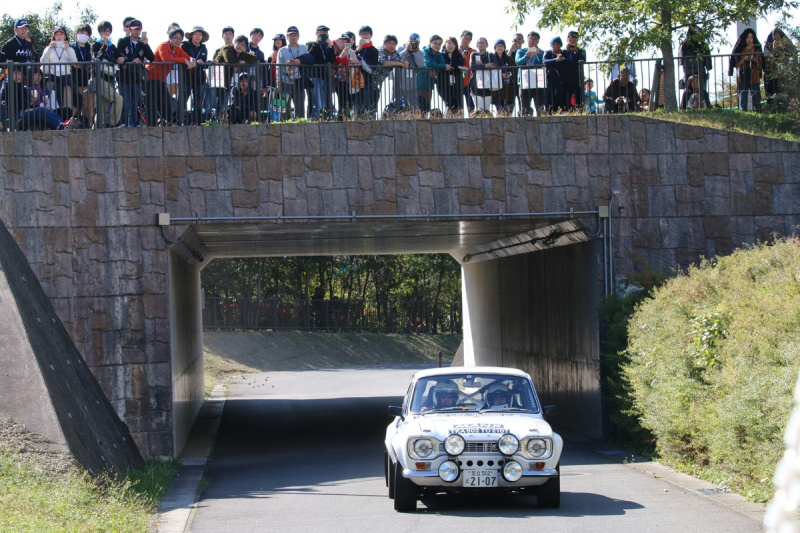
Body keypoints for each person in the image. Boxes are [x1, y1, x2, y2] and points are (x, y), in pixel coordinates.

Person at [146, 27, 197, 126]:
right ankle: (151, 126)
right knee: (151, 104)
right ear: (170, 38)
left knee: (166, 104)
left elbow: (188, 56)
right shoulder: (163, 46)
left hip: (161, 79)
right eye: (175, 37)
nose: (178, 40)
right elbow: (165, 59)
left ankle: (170, 124)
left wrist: (192, 60)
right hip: (150, 77)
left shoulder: (178, 49)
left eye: (180, 38)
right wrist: (183, 60)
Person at [1, 68, 77, 130]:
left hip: (24, 113)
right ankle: (61, 126)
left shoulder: (22, 87)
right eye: (16, 74)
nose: (19, 76)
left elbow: (26, 104)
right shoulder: (7, 86)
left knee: (49, 110)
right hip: (16, 116)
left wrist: (31, 102)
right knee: (42, 110)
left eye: (20, 74)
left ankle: (62, 124)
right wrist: (22, 110)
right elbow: (7, 104)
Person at [117, 19, 154, 126]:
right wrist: (131, 61)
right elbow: (119, 55)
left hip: (137, 78)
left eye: (139, 29)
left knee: (134, 105)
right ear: (129, 29)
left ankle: (134, 124)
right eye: (135, 29)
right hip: (124, 77)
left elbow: (151, 57)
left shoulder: (142, 44)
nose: (137, 32)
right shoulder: (122, 41)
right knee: (126, 104)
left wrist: (146, 44)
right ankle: (123, 124)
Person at [91, 20, 125, 127]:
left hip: (109, 79)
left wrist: (123, 58)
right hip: (99, 78)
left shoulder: (112, 46)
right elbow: (96, 58)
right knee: (119, 99)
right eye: (103, 31)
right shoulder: (95, 44)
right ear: (99, 32)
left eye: (108, 31)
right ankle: (112, 124)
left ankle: (96, 128)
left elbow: (121, 56)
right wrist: (104, 46)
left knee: (103, 107)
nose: (106, 33)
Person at [41, 26, 77, 119]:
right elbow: (43, 63)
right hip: (52, 80)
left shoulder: (70, 49)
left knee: (67, 106)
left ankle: (66, 124)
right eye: (57, 34)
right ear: (54, 36)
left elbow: (75, 62)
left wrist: (67, 49)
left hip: (66, 81)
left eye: (61, 34)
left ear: (65, 36)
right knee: (51, 105)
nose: (59, 36)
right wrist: (49, 48)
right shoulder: (49, 48)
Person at [277, 26, 313, 120]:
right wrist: (278, 82)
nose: (292, 37)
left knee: (300, 107)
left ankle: (300, 125)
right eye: (290, 35)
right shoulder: (282, 50)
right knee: (284, 108)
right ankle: (284, 125)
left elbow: (308, 61)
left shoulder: (303, 48)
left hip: (299, 81)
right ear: (287, 37)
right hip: (285, 81)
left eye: (294, 35)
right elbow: (278, 67)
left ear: (298, 36)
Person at [763, 27, 796, 112]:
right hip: (770, 73)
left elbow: (792, 53)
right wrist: (774, 50)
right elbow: (767, 59)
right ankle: (771, 109)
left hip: (783, 73)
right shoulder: (768, 45)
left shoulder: (786, 44)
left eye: (778, 35)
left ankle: (783, 109)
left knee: (782, 92)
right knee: (770, 91)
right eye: (775, 35)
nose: (777, 37)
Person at [181, 26, 209, 124]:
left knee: (198, 102)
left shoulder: (203, 47)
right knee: (182, 100)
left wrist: (202, 62)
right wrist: (193, 61)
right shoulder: (184, 45)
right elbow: (182, 57)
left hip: (199, 78)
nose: (198, 36)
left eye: (200, 35)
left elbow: (204, 61)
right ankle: (180, 121)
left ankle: (197, 122)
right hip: (186, 77)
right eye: (196, 34)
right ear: (192, 35)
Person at [678, 27, 711, 109]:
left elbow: (707, 56)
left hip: (701, 70)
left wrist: (708, 66)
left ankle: (705, 108)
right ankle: (683, 108)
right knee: (688, 92)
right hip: (689, 71)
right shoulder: (685, 44)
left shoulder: (702, 44)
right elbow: (681, 57)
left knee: (702, 92)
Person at [208, 26, 235, 121]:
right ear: (222, 36)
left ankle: (217, 120)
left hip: (228, 82)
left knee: (222, 105)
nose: (228, 36)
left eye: (230, 34)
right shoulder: (218, 50)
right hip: (217, 81)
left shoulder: (236, 50)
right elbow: (214, 62)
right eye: (226, 34)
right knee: (211, 103)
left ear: (233, 36)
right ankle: (209, 120)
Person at [309, 25, 336, 119]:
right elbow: (311, 56)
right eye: (322, 32)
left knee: (324, 103)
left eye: (326, 33)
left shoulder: (327, 46)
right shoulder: (311, 44)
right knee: (318, 102)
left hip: (325, 77)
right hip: (315, 76)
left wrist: (330, 46)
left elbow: (332, 59)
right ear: (317, 34)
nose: (324, 34)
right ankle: (314, 118)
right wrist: (317, 43)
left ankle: (321, 118)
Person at [375, 34, 407, 113]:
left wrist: (405, 62)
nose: (391, 46)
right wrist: (400, 64)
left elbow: (402, 61)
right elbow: (385, 62)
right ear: (384, 44)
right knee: (368, 100)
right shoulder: (380, 50)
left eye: (394, 44)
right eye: (389, 43)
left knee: (375, 99)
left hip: (378, 82)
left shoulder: (394, 53)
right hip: (369, 80)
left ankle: (371, 115)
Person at [516, 31, 544, 116]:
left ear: (538, 41)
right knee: (525, 108)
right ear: (527, 40)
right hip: (524, 82)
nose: (532, 41)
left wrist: (538, 55)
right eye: (531, 39)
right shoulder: (521, 51)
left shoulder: (542, 52)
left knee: (540, 107)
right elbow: (518, 62)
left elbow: (543, 64)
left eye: (535, 39)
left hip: (538, 82)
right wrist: (526, 56)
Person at [71, 24, 94, 127]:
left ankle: (88, 127)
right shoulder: (71, 47)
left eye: (86, 34)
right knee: (75, 107)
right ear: (76, 34)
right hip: (74, 82)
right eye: (82, 33)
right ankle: (71, 126)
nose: (84, 35)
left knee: (88, 108)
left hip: (87, 82)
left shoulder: (90, 47)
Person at [353, 26, 379, 117]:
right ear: (360, 35)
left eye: (367, 33)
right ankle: (357, 119)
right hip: (356, 79)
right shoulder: (357, 49)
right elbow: (352, 58)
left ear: (371, 35)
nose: (365, 35)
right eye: (363, 33)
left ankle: (371, 119)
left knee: (369, 103)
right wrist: (359, 48)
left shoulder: (374, 50)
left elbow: (374, 64)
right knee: (358, 103)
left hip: (368, 79)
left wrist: (363, 63)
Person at [420, 35, 447, 117]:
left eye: (439, 44)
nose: (437, 46)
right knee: (421, 106)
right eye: (435, 43)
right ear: (430, 43)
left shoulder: (438, 54)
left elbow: (442, 63)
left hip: (429, 84)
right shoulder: (424, 52)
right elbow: (428, 64)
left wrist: (436, 67)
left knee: (426, 107)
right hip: (421, 83)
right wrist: (443, 66)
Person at [439, 37, 466, 116]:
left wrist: (457, 66)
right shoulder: (441, 55)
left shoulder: (458, 56)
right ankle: (447, 118)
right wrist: (458, 67)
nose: (451, 45)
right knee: (449, 102)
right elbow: (442, 66)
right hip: (443, 82)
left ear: (456, 46)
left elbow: (461, 64)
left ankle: (457, 118)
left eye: (453, 44)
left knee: (457, 103)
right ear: (445, 45)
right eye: (449, 43)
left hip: (456, 83)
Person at [397, 33, 423, 115]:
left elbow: (421, 64)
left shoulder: (419, 52)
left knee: (413, 108)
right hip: (399, 85)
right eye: (411, 42)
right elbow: (398, 59)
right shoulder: (400, 48)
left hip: (412, 85)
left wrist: (415, 53)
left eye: (415, 42)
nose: (413, 44)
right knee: (397, 106)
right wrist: (406, 50)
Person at [470, 36, 496, 113]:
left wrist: (481, 65)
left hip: (488, 84)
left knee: (486, 109)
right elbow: (472, 66)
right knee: (479, 109)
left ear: (487, 45)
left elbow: (495, 65)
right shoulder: (474, 54)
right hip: (475, 84)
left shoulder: (490, 55)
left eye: (483, 42)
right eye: (479, 42)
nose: (480, 44)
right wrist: (485, 66)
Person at [491, 39, 516, 115]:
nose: (499, 47)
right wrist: (500, 74)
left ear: (504, 47)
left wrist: (509, 74)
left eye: (501, 46)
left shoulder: (509, 59)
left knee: (509, 112)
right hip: (497, 88)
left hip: (509, 88)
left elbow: (514, 70)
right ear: (495, 48)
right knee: (500, 111)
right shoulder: (492, 58)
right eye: (498, 46)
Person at [459, 30, 476, 113]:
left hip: (469, 79)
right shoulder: (455, 51)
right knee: (458, 102)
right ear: (460, 38)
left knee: (470, 102)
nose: (466, 40)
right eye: (465, 38)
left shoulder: (473, 52)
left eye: (469, 39)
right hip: (457, 80)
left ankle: (472, 116)